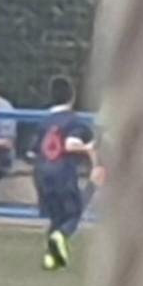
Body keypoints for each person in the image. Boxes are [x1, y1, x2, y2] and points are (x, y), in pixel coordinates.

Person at [33, 76, 95, 272]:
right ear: (72, 97)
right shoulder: (75, 122)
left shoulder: (43, 122)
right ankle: (61, 236)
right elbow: (70, 144)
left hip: (41, 174)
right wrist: (88, 149)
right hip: (63, 173)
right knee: (73, 214)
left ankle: (51, 258)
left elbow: (34, 150)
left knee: (56, 217)